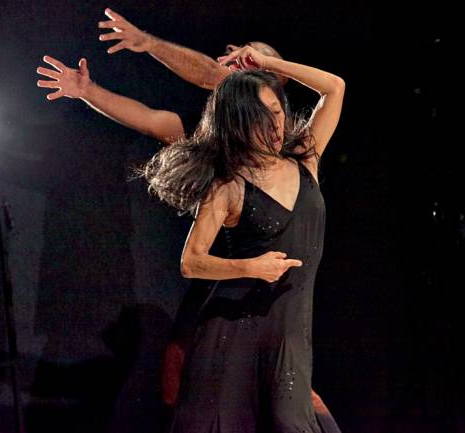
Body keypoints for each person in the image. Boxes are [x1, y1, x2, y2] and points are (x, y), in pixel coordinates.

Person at [36, 11, 342, 430]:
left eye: (253, 60)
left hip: (279, 303)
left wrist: (152, 43)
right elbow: (155, 115)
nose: (240, 58)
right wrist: (90, 91)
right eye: (237, 55)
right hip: (226, 284)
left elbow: (226, 78)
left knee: (289, 398)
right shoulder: (216, 149)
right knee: (191, 380)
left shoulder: (291, 145)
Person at [141, 45, 345, 432]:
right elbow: (191, 261)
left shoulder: (305, 157)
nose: (275, 125)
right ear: (238, 123)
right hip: (235, 332)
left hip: (289, 332)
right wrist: (250, 267)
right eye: (261, 117)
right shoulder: (228, 184)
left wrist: (266, 65)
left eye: (277, 112)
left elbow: (334, 87)